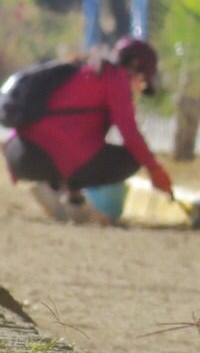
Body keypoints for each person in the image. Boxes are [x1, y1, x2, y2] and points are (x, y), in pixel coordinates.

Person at [4, 37, 173, 222]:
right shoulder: (115, 77)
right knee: (130, 159)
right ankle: (54, 187)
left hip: (18, 152)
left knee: (83, 145)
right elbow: (130, 134)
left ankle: (68, 196)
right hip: (43, 157)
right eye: (142, 81)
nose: (139, 89)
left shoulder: (86, 66)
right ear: (134, 67)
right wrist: (155, 170)